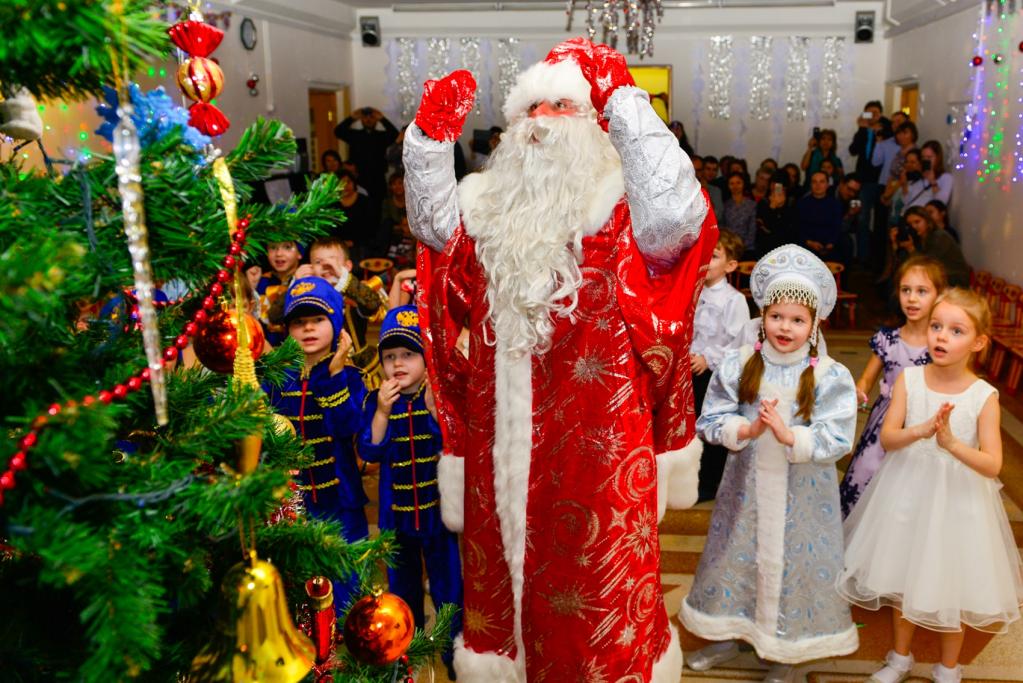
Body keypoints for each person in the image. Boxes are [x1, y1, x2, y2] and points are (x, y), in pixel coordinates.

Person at [404, 37, 715, 681]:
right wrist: (428, 145)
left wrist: (626, 98)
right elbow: (434, 232)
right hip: (499, 442)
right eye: (530, 110)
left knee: (594, 601)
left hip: (597, 449)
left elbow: (681, 218)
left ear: (594, 126)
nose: (542, 122)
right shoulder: (486, 208)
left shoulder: (624, 211)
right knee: (501, 600)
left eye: (561, 107)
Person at [682, 244, 859, 681]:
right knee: (736, 557)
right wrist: (744, 431)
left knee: (791, 565)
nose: (785, 327)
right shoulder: (741, 364)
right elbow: (711, 417)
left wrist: (790, 436)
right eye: (777, 317)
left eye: (798, 320)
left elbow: (838, 435)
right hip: (744, 492)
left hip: (802, 498)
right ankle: (728, 632)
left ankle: (786, 651)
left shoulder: (831, 375)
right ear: (763, 318)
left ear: (814, 324)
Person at [837, 288, 1023, 683]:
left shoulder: (983, 396)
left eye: (956, 331)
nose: (941, 336)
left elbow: (992, 464)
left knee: (951, 583)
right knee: (903, 577)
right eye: (937, 327)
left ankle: (948, 667)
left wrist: (952, 444)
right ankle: (899, 658)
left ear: (978, 342)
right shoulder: (910, 378)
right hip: (906, 492)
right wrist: (919, 430)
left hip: (958, 502)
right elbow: (887, 438)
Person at [358, 306, 463, 679]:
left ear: (426, 358)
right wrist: (383, 413)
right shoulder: (376, 402)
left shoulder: (439, 398)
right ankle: (404, 659)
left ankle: (455, 656)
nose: (397, 364)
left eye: (408, 354)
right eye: (389, 357)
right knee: (401, 593)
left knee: (450, 588)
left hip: (438, 517)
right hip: (396, 520)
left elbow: (458, 444)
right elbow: (370, 452)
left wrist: (437, 414)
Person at [263, 277, 368, 610]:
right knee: (298, 588)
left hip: (341, 501)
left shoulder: (350, 376)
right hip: (291, 503)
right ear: (287, 329)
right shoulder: (276, 377)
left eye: (318, 320)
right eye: (299, 322)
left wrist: (332, 374)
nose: (308, 329)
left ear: (336, 324)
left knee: (347, 584)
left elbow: (347, 426)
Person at [839, 256, 946, 517]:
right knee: (865, 474)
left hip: (924, 422)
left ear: (939, 295)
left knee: (911, 490)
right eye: (905, 290)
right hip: (884, 424)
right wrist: (858, 391)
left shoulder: (941, 345)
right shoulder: (887, 339)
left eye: (922, 291)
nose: (912, 298)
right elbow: (867, 379)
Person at [690, 230, 750, 501]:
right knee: (689, 425)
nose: (706, 261)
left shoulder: (733, 300)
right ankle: (688, 477)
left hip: (714, 373)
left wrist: (708, 357)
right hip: (689, 369)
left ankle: (710, 482)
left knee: (711, 424)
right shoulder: (693, 291)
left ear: (730, 265)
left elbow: (738, 342)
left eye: (713, 256)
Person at [296, 237, 388, 386]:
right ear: (310, 268)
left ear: (348, 266)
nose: (326, 266)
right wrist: (297, 284)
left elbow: (372, 304)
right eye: (318, 262)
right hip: (318, 371)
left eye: (332, 261)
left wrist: (342, 276)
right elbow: (276, 317)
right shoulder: (307, 297)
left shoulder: (356, 292)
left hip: (360, 371)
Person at [334, 106, 399, 203]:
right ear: (361, 120)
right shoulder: (354, 135)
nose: (368, 120)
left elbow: (395, 134)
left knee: (379, 206)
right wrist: (351, 118)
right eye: (365, 117)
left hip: (378, 178)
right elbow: (338, 131)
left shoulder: (381, 136)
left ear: (376, 120)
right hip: (358, 177)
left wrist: (382, 119)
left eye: (372, 117)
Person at [900, 207, 970, 288]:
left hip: (955, 281)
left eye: (917, 222)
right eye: (910, 224)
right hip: (938, 278)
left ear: (927, 220)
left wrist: (911, 249)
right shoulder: (919, 237)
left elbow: (928, 266)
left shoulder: (939, 237)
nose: (914, 226)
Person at [848, 101, 884, 260]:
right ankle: (863, 258)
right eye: (868, 113)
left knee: (880, 221)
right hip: (863, 180)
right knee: (862, 219)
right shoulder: (862, 130)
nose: (872, 116)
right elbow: (853, 150)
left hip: (882, 180)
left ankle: (878, 257)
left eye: (875, 112)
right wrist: (862, 128)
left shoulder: (886, 130)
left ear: (881, 114)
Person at [257, 239, 303, 346]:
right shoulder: (262, 282)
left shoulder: (306, 279)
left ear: (299, 253)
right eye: (273, 248)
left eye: (287, 247)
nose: (279, 254)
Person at [796, 171, 846, 263]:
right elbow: (799, 226)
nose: (818, 185)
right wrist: (809, 242)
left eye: (822, 182)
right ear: (810, 184)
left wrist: (831, 243)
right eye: (814, 182)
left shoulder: (835, 204)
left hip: (830, 243)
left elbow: (837, 226)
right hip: (808, 242)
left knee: (845, 242)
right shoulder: (802, 203)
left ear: (827, 184)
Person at [903, 140, 953, 210]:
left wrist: (933, 182)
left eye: (929, 157)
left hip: (925, 217)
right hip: (909, 214)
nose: (926, 160)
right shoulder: (920, 177)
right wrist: (904, 184)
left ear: (938, 158)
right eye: (923, 157)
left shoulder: (946, 177)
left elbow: (941, 203)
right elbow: (906, 201)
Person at [755, 175, 796, 254]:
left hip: (787, 246)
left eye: (778, 186)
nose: (775, 188)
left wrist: (781, 207)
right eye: (772, 184)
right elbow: (765, 228)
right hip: (766, 246)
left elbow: (790, 227)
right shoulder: (763, 202)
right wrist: (772, 207)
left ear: (785, 187)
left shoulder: (792, 202)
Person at [722, 171, 756, 255]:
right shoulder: (725, 205)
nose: (735, 186)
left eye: (738, 183)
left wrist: (743, 246)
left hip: (747, 248)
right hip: (728, 247)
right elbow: (723, 227)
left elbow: (752, 229)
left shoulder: (752, 205)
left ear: (744, 184)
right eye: (732, 183)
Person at [697, 154, 725, 220]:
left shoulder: (717, 190)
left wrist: (706, 192)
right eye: (708, 169)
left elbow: (718, 215)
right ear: (702, 170)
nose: (711, 172)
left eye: (714, 170)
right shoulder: (693, 186)